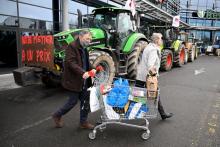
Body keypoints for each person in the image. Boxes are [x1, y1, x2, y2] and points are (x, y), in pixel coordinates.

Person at [52, 30, 96, 129]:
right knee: (72, 101)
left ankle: (83, 122)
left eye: (90, 39)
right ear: (80, 37)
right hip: (73, 80)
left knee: (85, 100)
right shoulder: (72, 46)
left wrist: (93, 68)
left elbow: (86, 62)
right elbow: (71, 63)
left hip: (83, 80)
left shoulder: (84, 48)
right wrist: (82, 72)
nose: (89, 41)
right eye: (87, 39)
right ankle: (57, 114)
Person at [136, 33, 173, 120]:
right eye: (161, 39)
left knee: (141, 96)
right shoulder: (153, 50)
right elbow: (150, 66)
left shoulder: (149, 47)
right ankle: (119, 111)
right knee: (141, 96)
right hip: (147, 78)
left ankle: (162, 113)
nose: (162, 40)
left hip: (141, 76)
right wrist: (154, 77)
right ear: (156, 40)